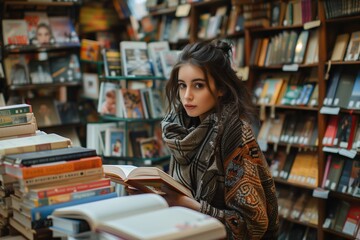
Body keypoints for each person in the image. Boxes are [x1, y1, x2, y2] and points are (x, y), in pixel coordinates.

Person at [160, 40, 279, 239]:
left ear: (221, 89)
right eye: (182, 86)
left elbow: (253, 224)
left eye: (198, 85)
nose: (187, 96)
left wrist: (189, 205)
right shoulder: (180, 130)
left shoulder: (235, 134)